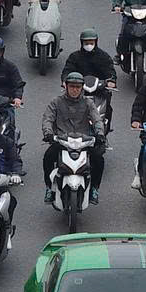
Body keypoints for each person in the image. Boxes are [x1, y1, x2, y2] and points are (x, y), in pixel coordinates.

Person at [41, 74, 107, 205]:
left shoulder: (88, 103)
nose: (75, 90)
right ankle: (49, 188)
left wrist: (100, 134)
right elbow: (47, 118)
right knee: (48, 157)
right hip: (62, 140)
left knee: (99, 159)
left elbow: (97, 119)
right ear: (66, 86)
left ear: (82, 88)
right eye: (72, 86)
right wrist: (48, 133)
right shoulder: (56, 102)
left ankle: (94, 188)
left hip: (83, 141)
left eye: (78, 87)